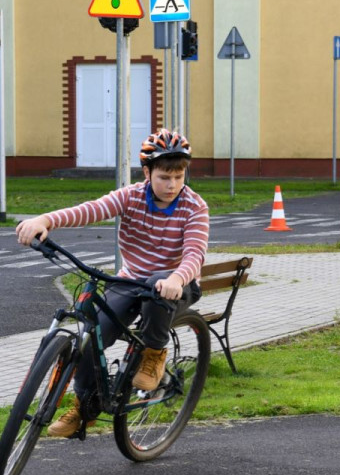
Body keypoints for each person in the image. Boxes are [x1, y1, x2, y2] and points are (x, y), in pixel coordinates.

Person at [16, 129, 210, 438]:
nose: (172, 184)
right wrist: (46, 220)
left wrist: (177, 277)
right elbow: (90, 210)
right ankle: (84, 407)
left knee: (159, 287)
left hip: (176, 285)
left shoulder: (194, 207)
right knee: (92, 336)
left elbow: (194, 253)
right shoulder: (130, 196)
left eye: (178, 176)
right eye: (163, 176)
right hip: (131, 281)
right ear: (147, 172)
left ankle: (154, 353)